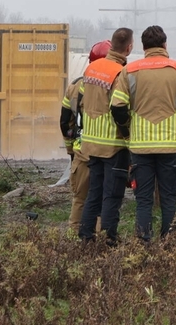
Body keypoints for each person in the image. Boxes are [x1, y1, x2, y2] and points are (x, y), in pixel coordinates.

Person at [111, 25, 176, 242]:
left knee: (143, 200)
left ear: (143, 47)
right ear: (164, 45)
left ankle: (143, 243)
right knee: (169, 198)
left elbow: (117, 107)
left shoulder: (129, 71)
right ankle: (169, 244)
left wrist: (129, 127)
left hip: (140, 147)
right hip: (170, 146)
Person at [78, 28, 133, 244]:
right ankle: (109, 237)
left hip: (91, 143)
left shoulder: (91, 68)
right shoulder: (121, 73)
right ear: (129, 48)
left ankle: (86, 235)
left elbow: (82, 102)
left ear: (111, 45)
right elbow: (119, 108)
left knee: (94, 192)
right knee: (112, 194)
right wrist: (129, 135)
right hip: (113, 144)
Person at [59, 39, 111, 233]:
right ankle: (98, 241)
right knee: (102, 199)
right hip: (107, 153)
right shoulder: (115, 84)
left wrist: (71, 149)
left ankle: (74, 237)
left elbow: (65, 122)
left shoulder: (74, 87)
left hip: (82, 152)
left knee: (80, 199)